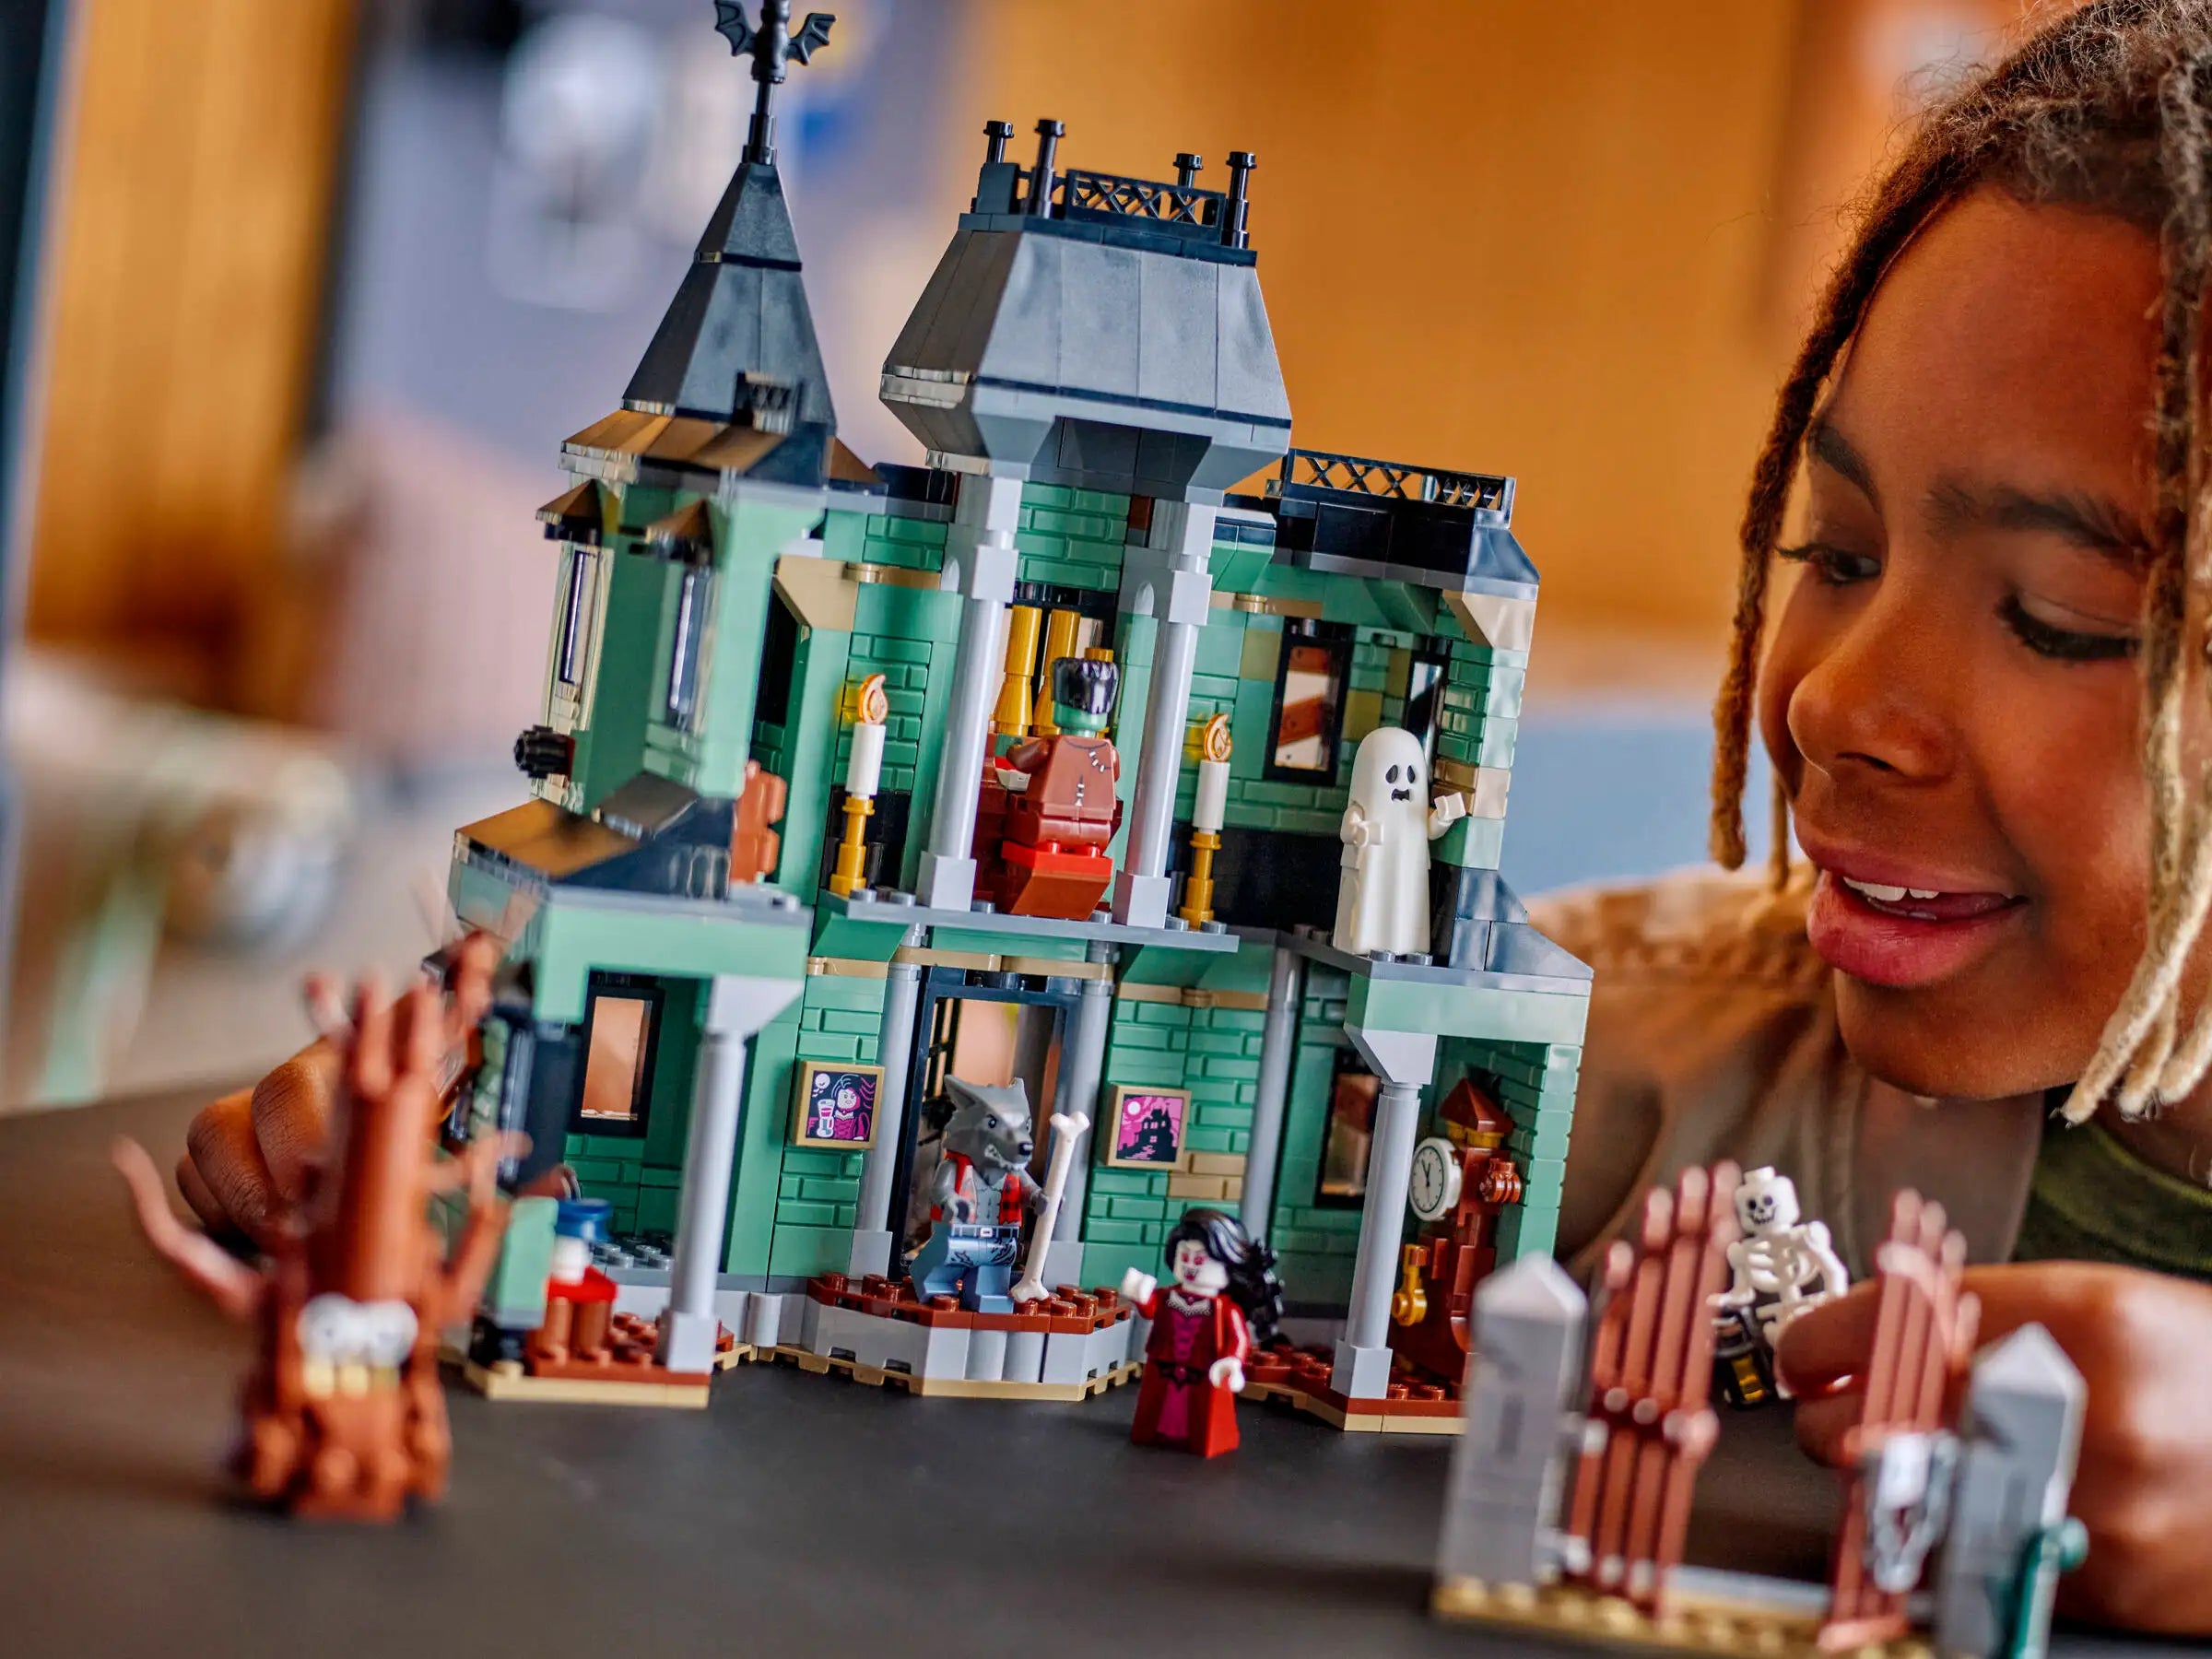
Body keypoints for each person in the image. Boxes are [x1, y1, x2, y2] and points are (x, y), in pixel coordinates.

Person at [173, 0, 2212, 1630]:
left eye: (2061, 617)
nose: (1841, 700)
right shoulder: (1645, 1063)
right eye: (1833, 550)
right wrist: (459, 1133)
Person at [1117, 1207, 1284, 1459]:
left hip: (1204, 1372)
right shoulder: (1169, 1296)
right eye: (1184, 1257)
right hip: (1164, 1367)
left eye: (1200, 1259)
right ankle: (1153, 1433)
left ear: (1227, 1262)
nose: (1190, 1265)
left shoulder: (1226, 1310)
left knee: (1202, 1414)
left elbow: (1239, 1339)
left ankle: (1198, 1440)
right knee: (1159, 1407)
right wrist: (1139, 1293)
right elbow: (1151, 1309)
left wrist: (1231, 1362)